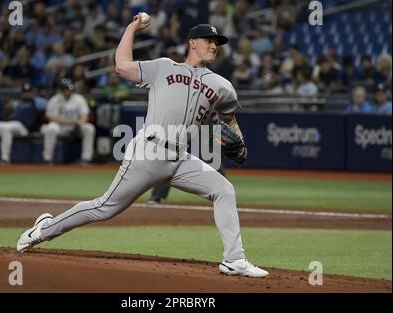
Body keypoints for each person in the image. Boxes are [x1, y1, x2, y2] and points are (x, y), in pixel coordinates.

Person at [17, 18, 268, 278]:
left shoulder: (222, 86)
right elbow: (121, 66)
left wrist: (240, 144)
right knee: (104, 208)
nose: (215, 46)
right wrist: (131, 29)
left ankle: (234, 259)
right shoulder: (163, 67)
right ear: (192, 43)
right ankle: (43, 230)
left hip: (181, 158)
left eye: (217, 43)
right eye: (210, 41)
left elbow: (229, 120)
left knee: (224, 189)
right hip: (149, 152)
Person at [40, 78, 95, 164]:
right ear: (62, 90)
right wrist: (70, 122)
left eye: (70, 89)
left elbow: (85, 116)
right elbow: (50, 118)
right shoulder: (55, 99)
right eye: (66, 89)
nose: (68, 91)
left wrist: (80, 122)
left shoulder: (79, 99)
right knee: (51, 128)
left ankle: (86, 158)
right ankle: (47, 158)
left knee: (89, 128)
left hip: (75, 126)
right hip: (60, 127)